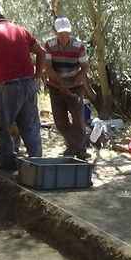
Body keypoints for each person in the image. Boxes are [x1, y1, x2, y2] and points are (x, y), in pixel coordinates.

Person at [0, 3, 44, 170]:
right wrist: (37, 76)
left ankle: (7, 166)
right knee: (30, 126)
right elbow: (41, 52)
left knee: (2, 127)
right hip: (28, 84)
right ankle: (38, 163)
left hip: (6, 86)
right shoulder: (21, 30)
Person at [42, 17, 92, 161]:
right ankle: (72, 146)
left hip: (75, 87)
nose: (64, 36)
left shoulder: (78, 46)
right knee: (60, 121)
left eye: (66, 33)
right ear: (56, 33)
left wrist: (78, 79)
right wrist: (60, 84)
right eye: (61, 34)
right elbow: (48, 67)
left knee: (78, 119)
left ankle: (80, 149)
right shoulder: (49, 45)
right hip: (56, 87)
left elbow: (85, 66)